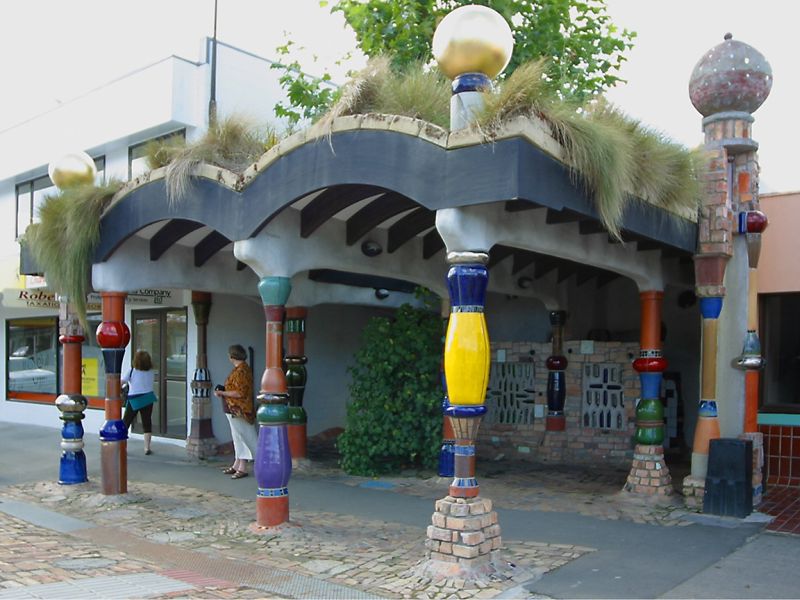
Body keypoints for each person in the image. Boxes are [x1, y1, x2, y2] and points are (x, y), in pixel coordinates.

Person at [215, 344, 258, 479]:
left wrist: (222, 392)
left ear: (232, 356)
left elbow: (240, 393)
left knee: (243, 436)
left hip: (239, 409)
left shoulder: (241, 371)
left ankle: (243, 467)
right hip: (235, 409)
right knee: (237, 437)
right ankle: (237, 463)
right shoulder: (242, 369)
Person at [122, 350, 157, 455]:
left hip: (134, 399)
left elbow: (122, 382)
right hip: (148, 398)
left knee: (126, 422)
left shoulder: (132, 371)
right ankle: (147, 448)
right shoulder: (151, 371)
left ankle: (122, 446)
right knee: (147, 423)